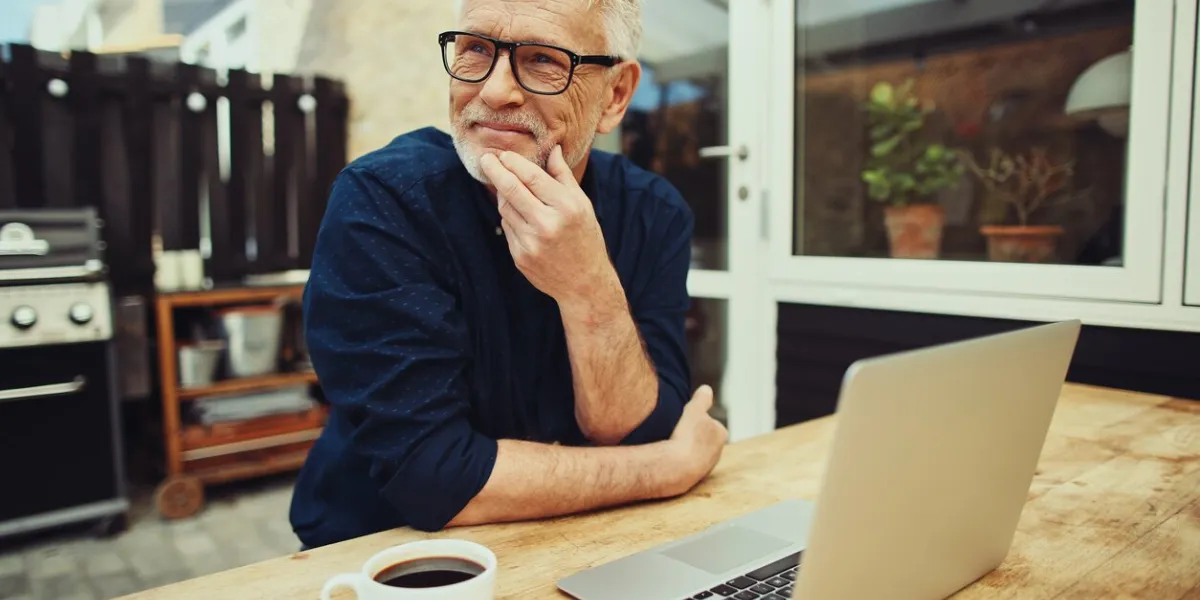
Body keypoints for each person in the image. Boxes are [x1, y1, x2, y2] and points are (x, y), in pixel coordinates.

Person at [289, 0, 728, 549]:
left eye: (544, 59)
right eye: (475, 49)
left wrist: (587, 282)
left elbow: (636, 428)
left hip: (590, 538)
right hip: (385, 555)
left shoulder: (653, 211)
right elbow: (436, 477)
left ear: (614, 95)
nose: (495, 92)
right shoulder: (384, 203)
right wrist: (664, 469)